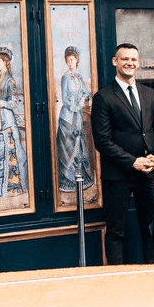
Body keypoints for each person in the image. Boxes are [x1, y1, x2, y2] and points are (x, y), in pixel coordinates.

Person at [91, 43, 154, 264]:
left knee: (149, 226)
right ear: (115, 62)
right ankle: (117, 277)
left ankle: (152, 271)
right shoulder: (104, 97)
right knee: (116, 230)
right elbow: (102, 141)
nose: (130, 63)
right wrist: (132, 161)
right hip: (118, 175)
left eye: (134, 60)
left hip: (147, 173)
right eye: (125, 59)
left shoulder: (149, 94)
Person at [0, 46, 28, 211]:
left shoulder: (10, 81)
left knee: (8, 156)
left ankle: (11, 188)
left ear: (5, 62)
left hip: (7, 122)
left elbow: (13, 104)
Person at [56, 46, 94, 197]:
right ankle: (68, 179)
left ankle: (80, 177)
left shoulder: (78, 76)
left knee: (79, 143)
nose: (70, 63)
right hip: (67, 116)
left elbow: (86, 92)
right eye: (68, 60)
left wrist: (86, 98)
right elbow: (64, 99)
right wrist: (76, 105)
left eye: (72, 60)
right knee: (68, 145)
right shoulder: (65, 77)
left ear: (76, 60)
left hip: (77, 115)